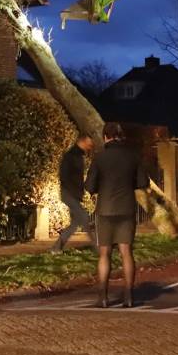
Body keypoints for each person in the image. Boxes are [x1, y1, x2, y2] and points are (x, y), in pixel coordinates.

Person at [85, 122, 148, 308]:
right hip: (127, 209)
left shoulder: (100, 158)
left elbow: (89, 186)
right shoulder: (133, 156)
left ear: (105, 137)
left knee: (104, 254)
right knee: (126, 252)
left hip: (104, 210)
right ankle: (128, 296)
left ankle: (103, 297)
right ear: (121, 136)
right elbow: (143, 182)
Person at [52, 133, 95, 253]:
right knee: (84, 218)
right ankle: (97, 247)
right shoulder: (71, 156)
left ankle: (56, 248)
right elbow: (64, 175)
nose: (90, 147)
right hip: (69, 193)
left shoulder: (77, 155)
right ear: (82, 141)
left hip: (73, 194)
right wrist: (74, 190)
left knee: (75, 224)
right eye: (89, 144)